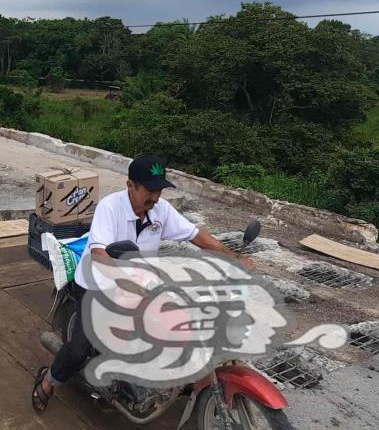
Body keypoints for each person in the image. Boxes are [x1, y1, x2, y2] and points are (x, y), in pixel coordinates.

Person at [32, 154, 256, 408]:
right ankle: (48, 382)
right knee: (78, 350)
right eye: (150, 190)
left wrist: (234, 257)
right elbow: (100, 254)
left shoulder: (160, 210)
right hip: (97, 284)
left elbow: (196, 236)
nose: (156, 196)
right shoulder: (110, 208)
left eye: (159, 189)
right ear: (131, 186)